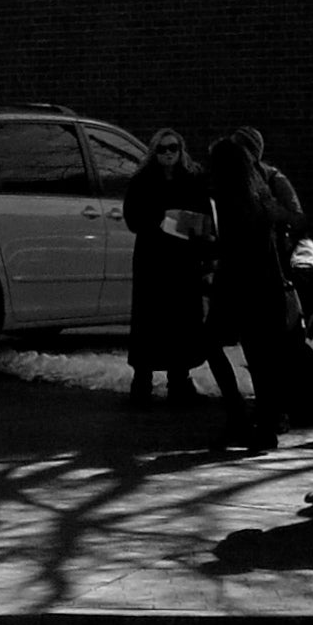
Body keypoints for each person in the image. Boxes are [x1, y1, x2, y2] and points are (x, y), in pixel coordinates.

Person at [122, 126, 240, 425]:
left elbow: (203, 218)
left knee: (181, 321)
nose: (168, 154)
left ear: (181, 149)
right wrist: (159, 222)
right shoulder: (142, 181)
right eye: (162, 149)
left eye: (173, 148)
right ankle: (142, 383)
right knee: (150, 320)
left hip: (182, 260)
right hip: (152, 260)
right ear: (154, 151)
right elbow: (133, 219)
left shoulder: (193, 179)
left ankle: (179, 380)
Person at [204, 131, 302, 451]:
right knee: (260, 358)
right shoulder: (258, 196)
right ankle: (265, 423)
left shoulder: (228, 200)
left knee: (216, 344)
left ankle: (240, 415)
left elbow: (225, 244)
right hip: (265, 287)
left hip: (237, 287)